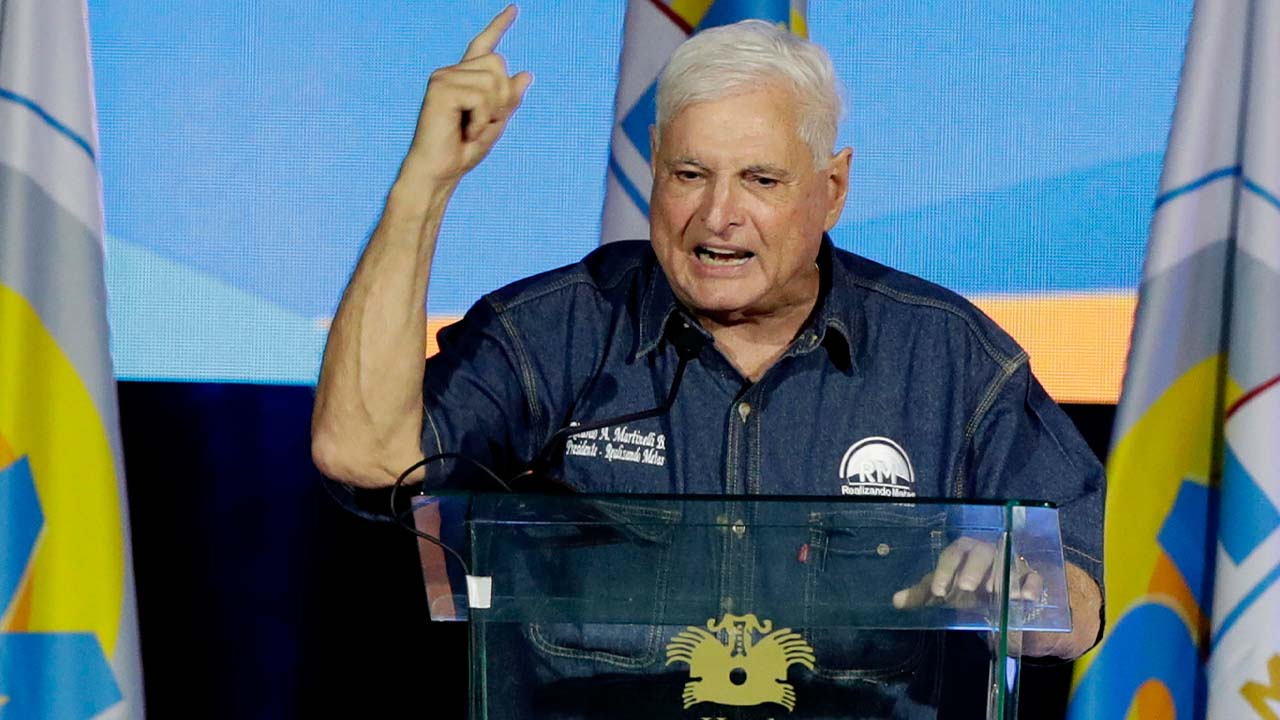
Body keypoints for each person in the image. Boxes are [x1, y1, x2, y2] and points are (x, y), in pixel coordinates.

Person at [312, 5, 1103, 715]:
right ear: (655, 165)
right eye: (689, 174)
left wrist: (1020, 593)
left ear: (832, 188)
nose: (718, 216)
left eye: (761, 180)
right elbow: (363, 453)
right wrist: (424, 185)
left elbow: (1078, 593)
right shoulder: (556, 334)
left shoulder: (945, 356)